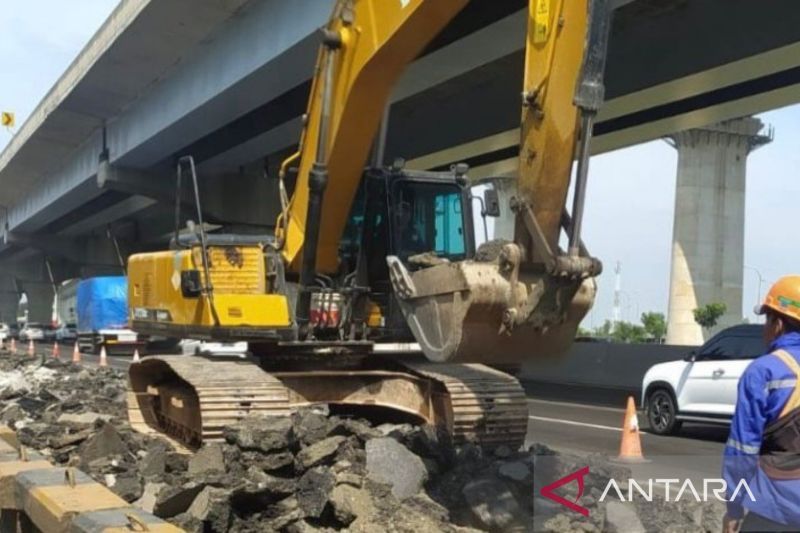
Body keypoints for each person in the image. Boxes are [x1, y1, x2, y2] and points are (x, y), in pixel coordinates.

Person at [723, 276, 800, 532]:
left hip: (776, 508)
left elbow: (742, 449)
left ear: (777, 323)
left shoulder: (763, 372)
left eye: (766, 319)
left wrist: (733, 508)